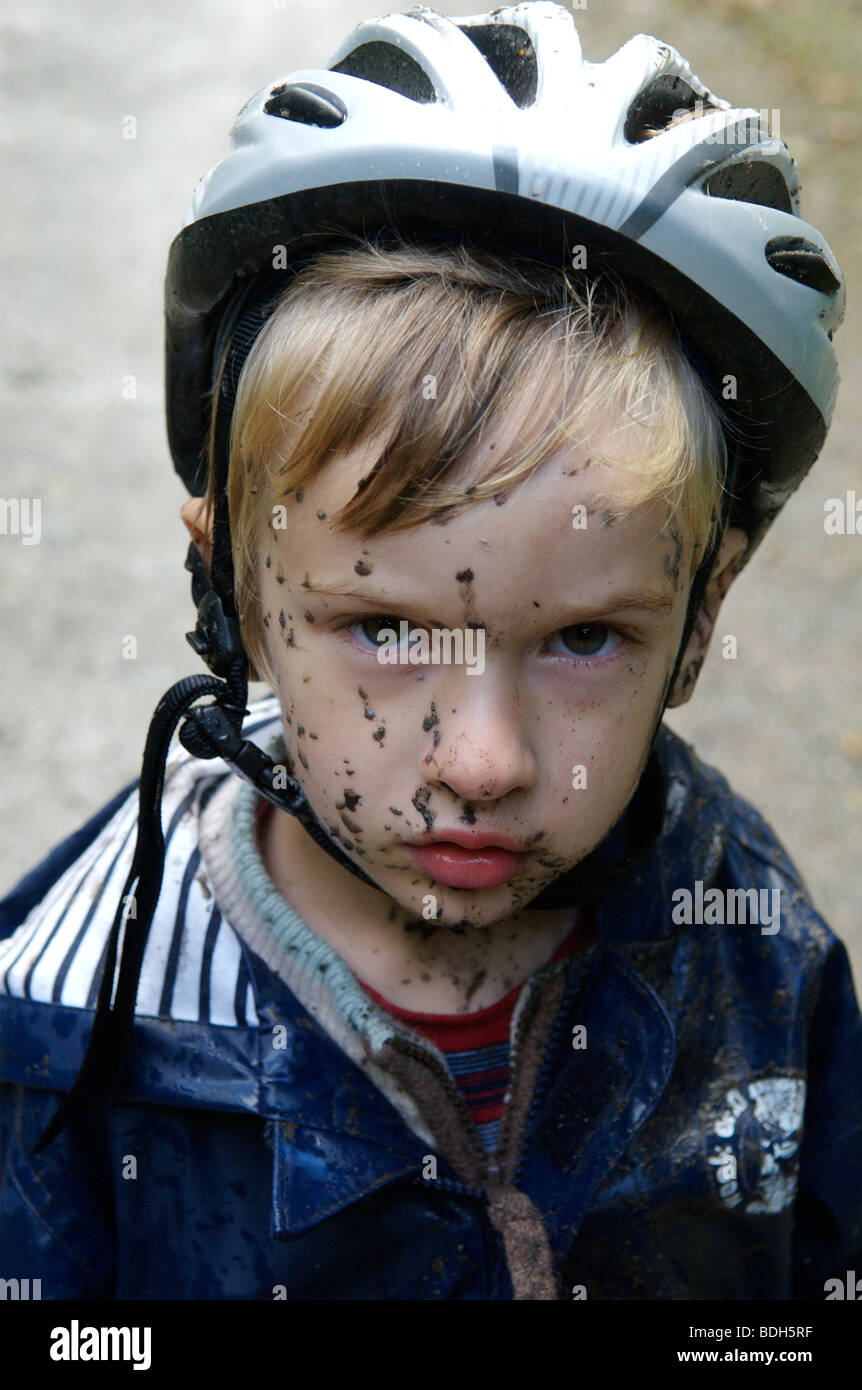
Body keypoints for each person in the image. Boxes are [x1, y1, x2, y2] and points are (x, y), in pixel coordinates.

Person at [1, 3, 859, 1301]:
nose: (483, 760)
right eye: (387, 628)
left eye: (582, 638)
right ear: (229, 582)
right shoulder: (67, 1021)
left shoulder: (755, 949)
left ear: (700, 613)